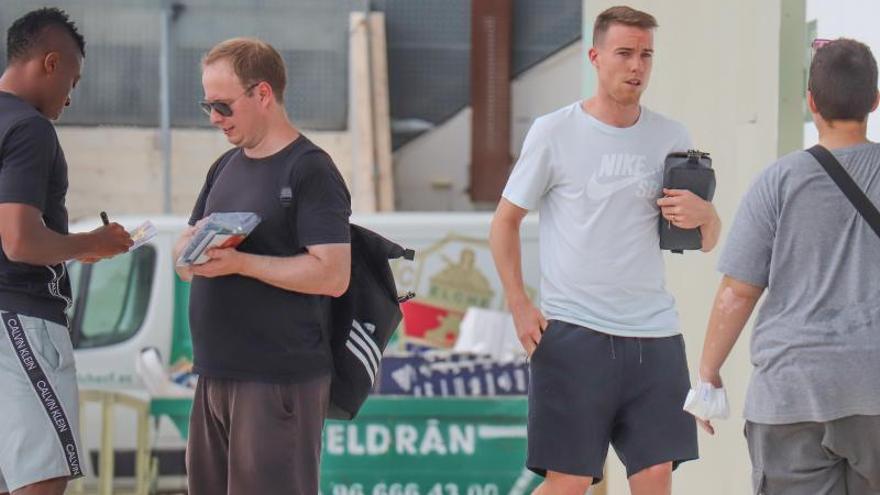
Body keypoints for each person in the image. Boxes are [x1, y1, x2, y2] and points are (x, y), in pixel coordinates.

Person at [489, 6, 721, 495]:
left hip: (655, 335)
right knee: (569, 483)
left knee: (655, 477)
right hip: (574, 334)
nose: (637, 66)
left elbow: (704, 239)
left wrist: (709, 218)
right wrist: (519, 306)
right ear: (595, 57)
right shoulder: (554, 131)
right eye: (624, 53)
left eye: (646, 55)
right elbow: (505, 223)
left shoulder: (672, 138)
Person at [696, 38, 880, 495]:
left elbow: (737, 292)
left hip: (791, 393)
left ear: (811, 102)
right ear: (876, 100)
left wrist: (707, 371)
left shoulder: (778, 182)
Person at [174, 37, 352, 495]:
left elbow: (333, 274)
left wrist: (239, 262)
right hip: (215, 373)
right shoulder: (224, 167)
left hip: (276, 380)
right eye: (206, 104)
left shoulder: (310, 169)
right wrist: (190, 251)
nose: (214, 118)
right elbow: (184, 261)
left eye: (223, 105)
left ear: (263, 94)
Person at [0, 7, 133, 495]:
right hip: (18, 320)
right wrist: (94, 243)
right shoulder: (29, 129)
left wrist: (74, 249)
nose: (70, 98)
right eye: (72, 81)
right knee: (41, 479)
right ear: (49, 63)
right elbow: (19, 241)